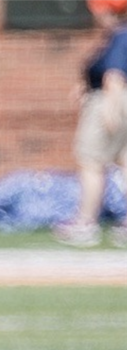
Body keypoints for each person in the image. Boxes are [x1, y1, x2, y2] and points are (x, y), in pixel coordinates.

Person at [54, 0, 127, 247]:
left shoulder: (120, 34)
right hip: (114, 98)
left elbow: (115, 74)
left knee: (91, 161)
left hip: (110, 101)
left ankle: (86, 222)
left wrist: (110, 108)